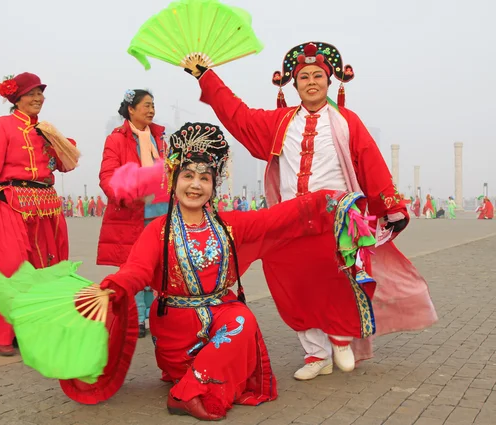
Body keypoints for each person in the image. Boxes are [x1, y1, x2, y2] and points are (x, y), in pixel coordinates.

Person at [81, 122, 373, 420]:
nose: (195, 185)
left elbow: (279, 219)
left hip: (222, 322)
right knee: (233, 340)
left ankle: (188, 393)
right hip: (176, 330)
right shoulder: (159, 230)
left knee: (243, 318)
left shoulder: (229, 225)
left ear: (213, 185)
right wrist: (113, 287)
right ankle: (194, 385)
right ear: (173, 179)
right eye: (188, 176)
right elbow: (137, 270)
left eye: (204, 178)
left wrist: (330, 200)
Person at [185, 41, 436, 380]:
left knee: (333, 277)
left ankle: (340, 337)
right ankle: (316, 354)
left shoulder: (347, 122)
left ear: (330, 81)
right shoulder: (280, 123)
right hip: (288, 217)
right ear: (295, 83)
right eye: (304, 77)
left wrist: (389, 206)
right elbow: (238, 115)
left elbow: (372, 165)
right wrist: (206, 77)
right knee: (290, 282)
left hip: (335, 218)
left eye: (318, 75)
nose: (312, 82)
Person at [0, 72, 78, 356]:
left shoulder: (45, 129)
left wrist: (60, 143)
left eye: (41, 93)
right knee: (11, 267)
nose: (38, 98)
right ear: (16, 98)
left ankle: (30, 329)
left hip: (45, 204)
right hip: (9, 200)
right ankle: (1, 331)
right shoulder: (2, 126)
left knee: (46, 267)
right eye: (32, 93)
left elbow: (67, 165)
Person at [97, 89, 167, 338]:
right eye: (146, 105)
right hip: (132, 214)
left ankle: (152, 313)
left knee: (157, 266)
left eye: (153, 105)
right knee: (134, 266)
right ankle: (136, 316)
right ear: (131, 109)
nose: (151, 110)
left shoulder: (160, 138)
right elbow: (107, 176)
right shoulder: (116, 139)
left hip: (161, 212)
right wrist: (125, 194)